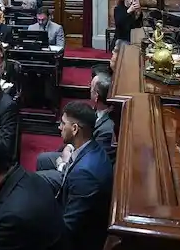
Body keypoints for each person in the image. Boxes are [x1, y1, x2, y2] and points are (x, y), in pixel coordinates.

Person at [53, 102, 113, 250]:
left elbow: (69, 228)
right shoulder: (93, 148)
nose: (59, 127)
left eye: (63, 123)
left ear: (74, 129)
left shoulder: (84, 175)